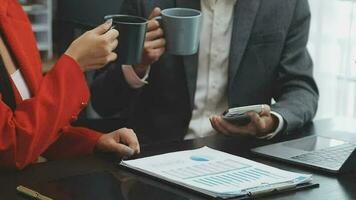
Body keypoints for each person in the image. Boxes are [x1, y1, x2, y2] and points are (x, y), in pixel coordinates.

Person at [91, 0, 319, 143]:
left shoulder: (287, 5)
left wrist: (272, 122)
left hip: (241, 154)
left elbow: (301, 90)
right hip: (157, 155)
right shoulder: (146, 3)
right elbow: (103, 102)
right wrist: (137, 66)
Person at [0, 0, 140, 170]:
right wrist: (75, 63)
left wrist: (92, 142)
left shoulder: (10, 10)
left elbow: (35, 123)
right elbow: (11, 148)